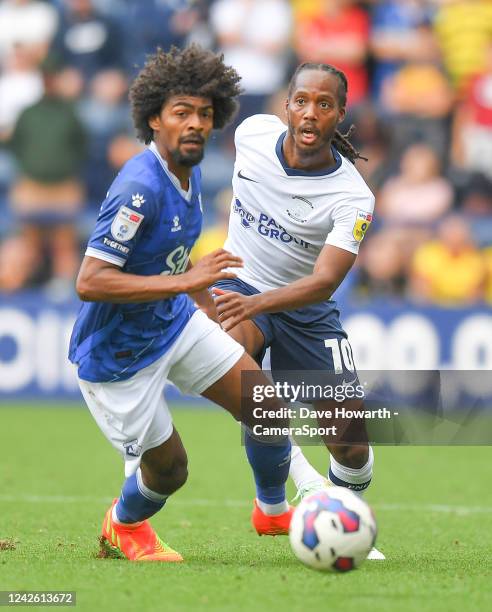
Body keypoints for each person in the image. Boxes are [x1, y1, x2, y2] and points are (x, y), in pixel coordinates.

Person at [68, 46, 294, 562]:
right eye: (181, 113)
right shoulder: (139, 187)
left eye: (205, 114)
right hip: (118, 356)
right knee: (171, 472)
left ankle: (274, 512)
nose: (195, 124)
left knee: (265, 406)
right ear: (153, 119)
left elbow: (173, 263)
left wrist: (208, 308)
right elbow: (90, 280)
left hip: (172, 324)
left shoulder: (190, 175)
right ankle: (122, 525)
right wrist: (186, 281)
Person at [213, 62, 384, 559]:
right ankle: (272, 505)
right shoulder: (252, 134)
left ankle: (342, 510)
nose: (311, 113)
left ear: (341, 114)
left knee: (351, 445)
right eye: (302, 101)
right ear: (285, 105)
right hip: (239, 285)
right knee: (236, 367)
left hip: (306, 308)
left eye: (324, 104)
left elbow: (324, 281)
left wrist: (257, 302)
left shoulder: (354, 196)